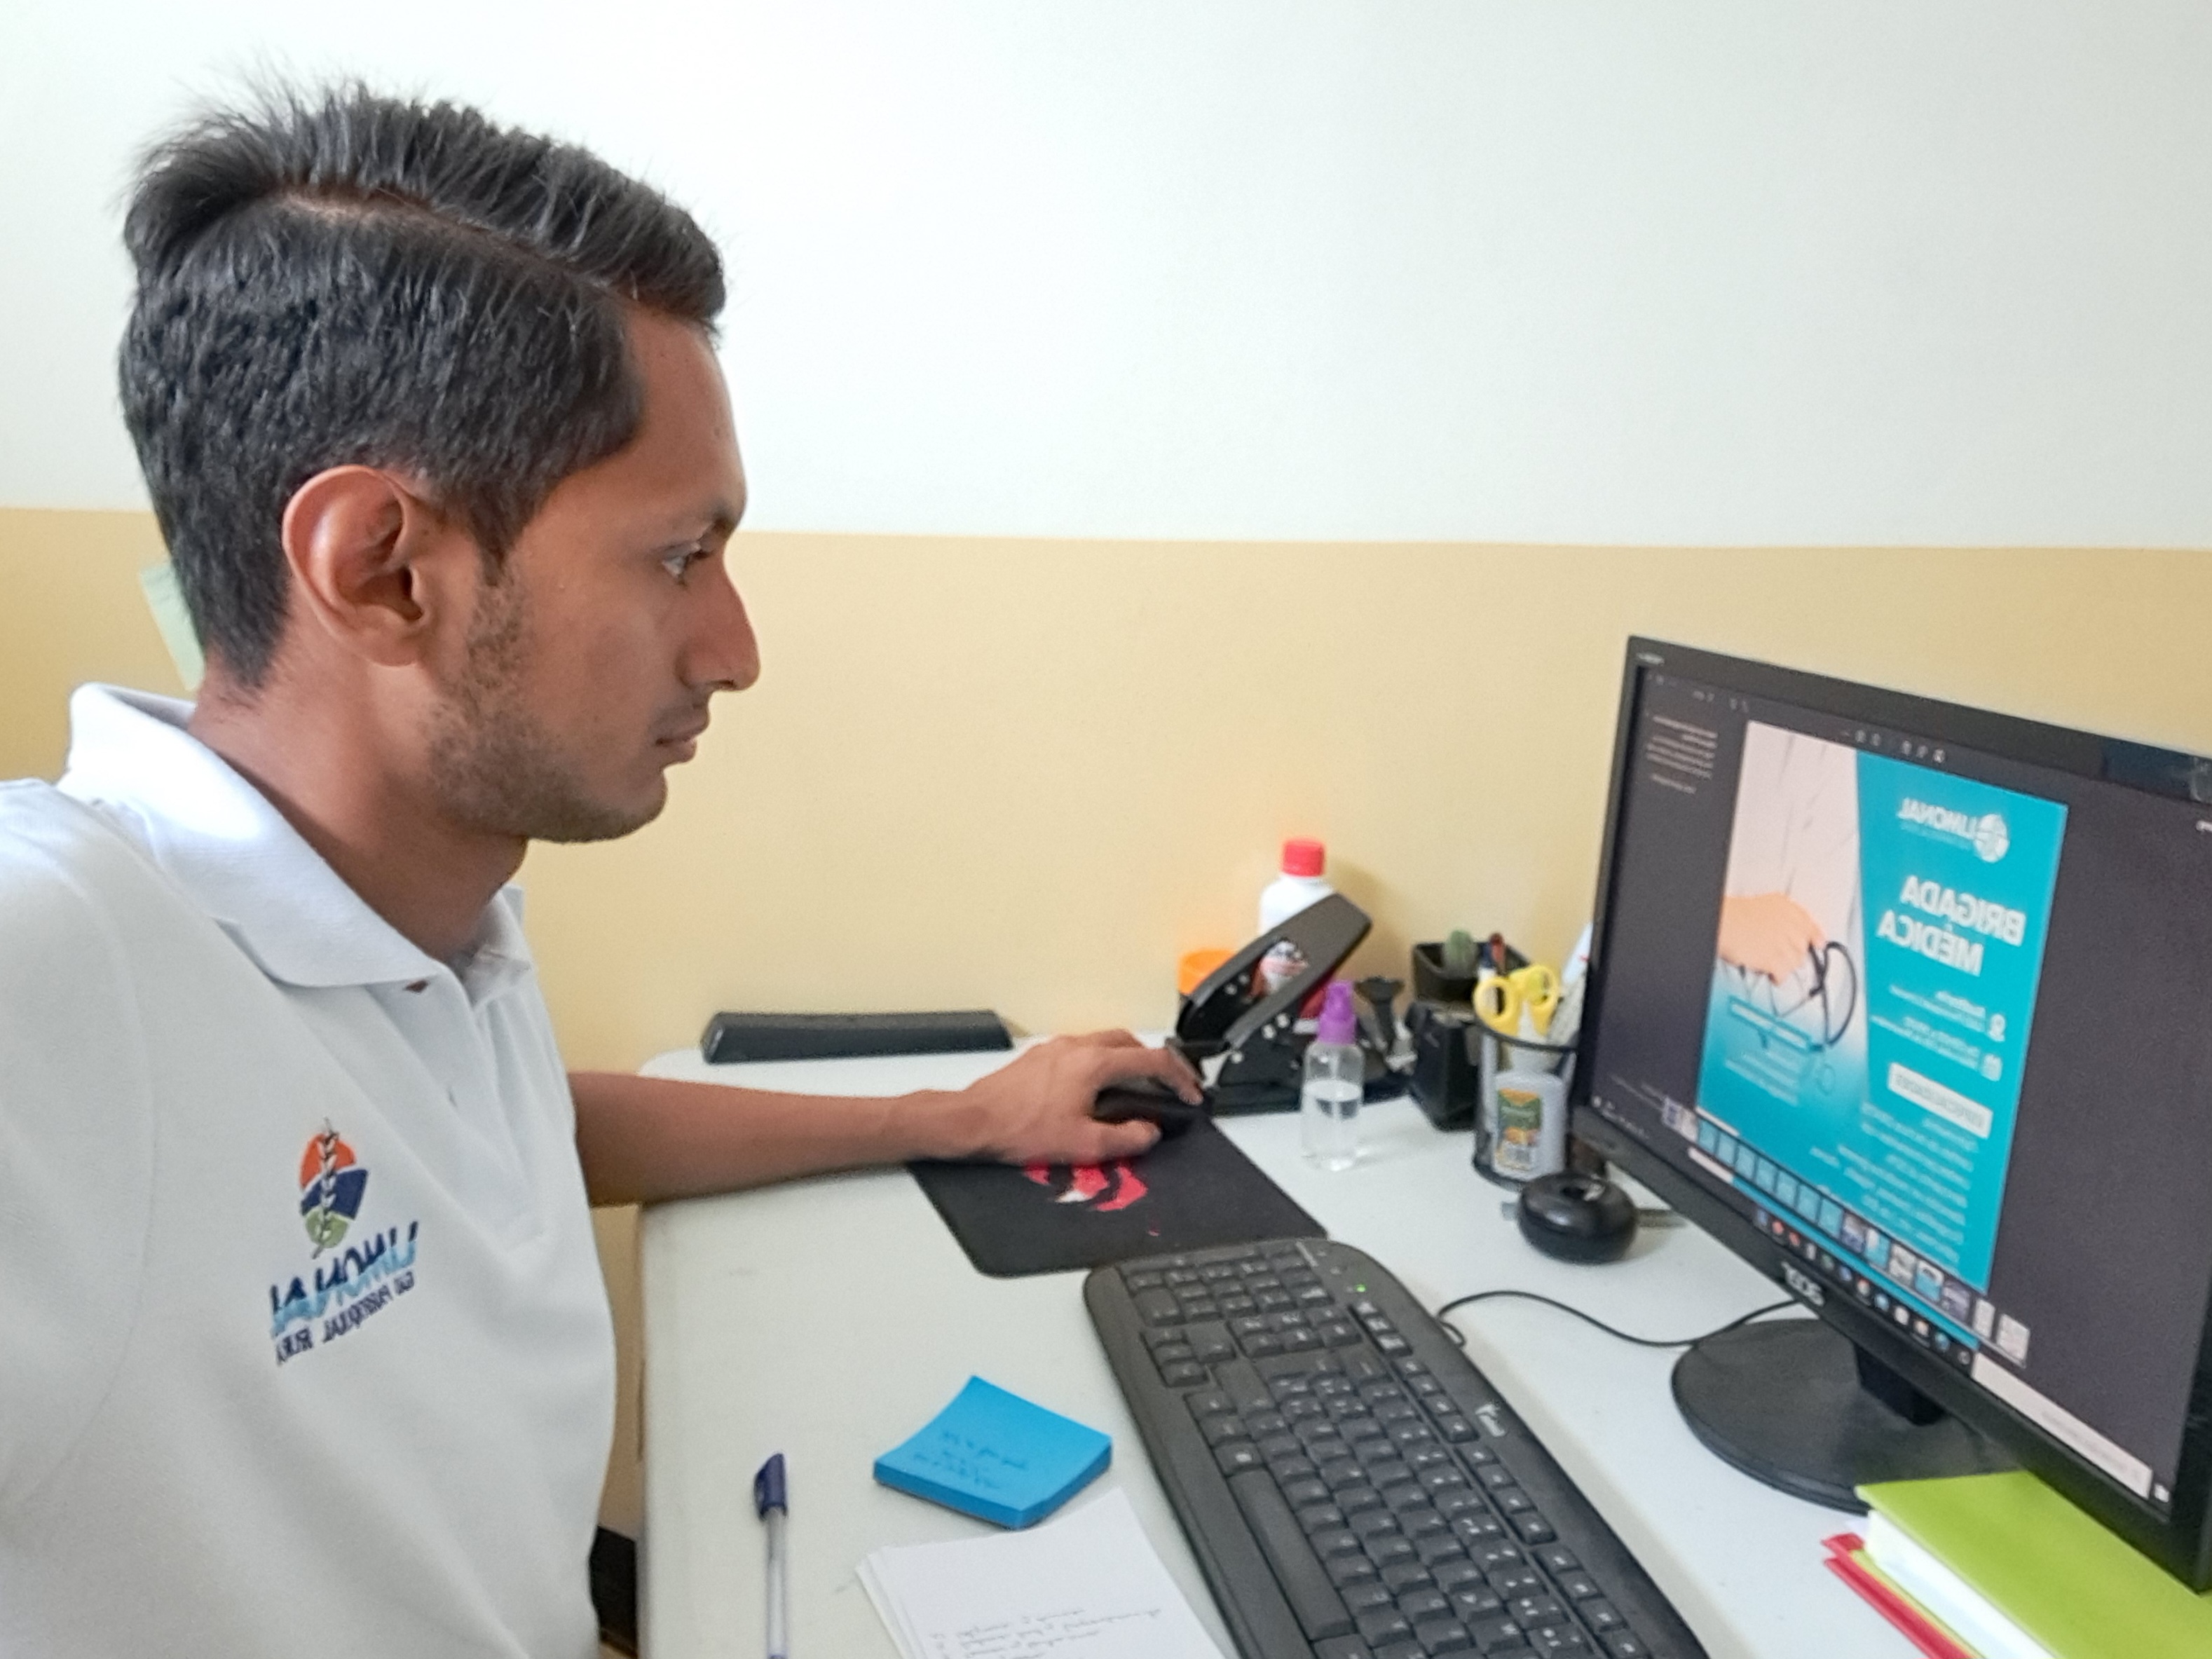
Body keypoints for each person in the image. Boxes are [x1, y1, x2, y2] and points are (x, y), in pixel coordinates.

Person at [0, 85, 1197, 1659]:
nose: (735, 648)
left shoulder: (420, 907)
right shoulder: (63, 962)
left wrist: (961, 1116)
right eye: (680, 556)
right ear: (386, 569)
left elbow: (517, 1130)